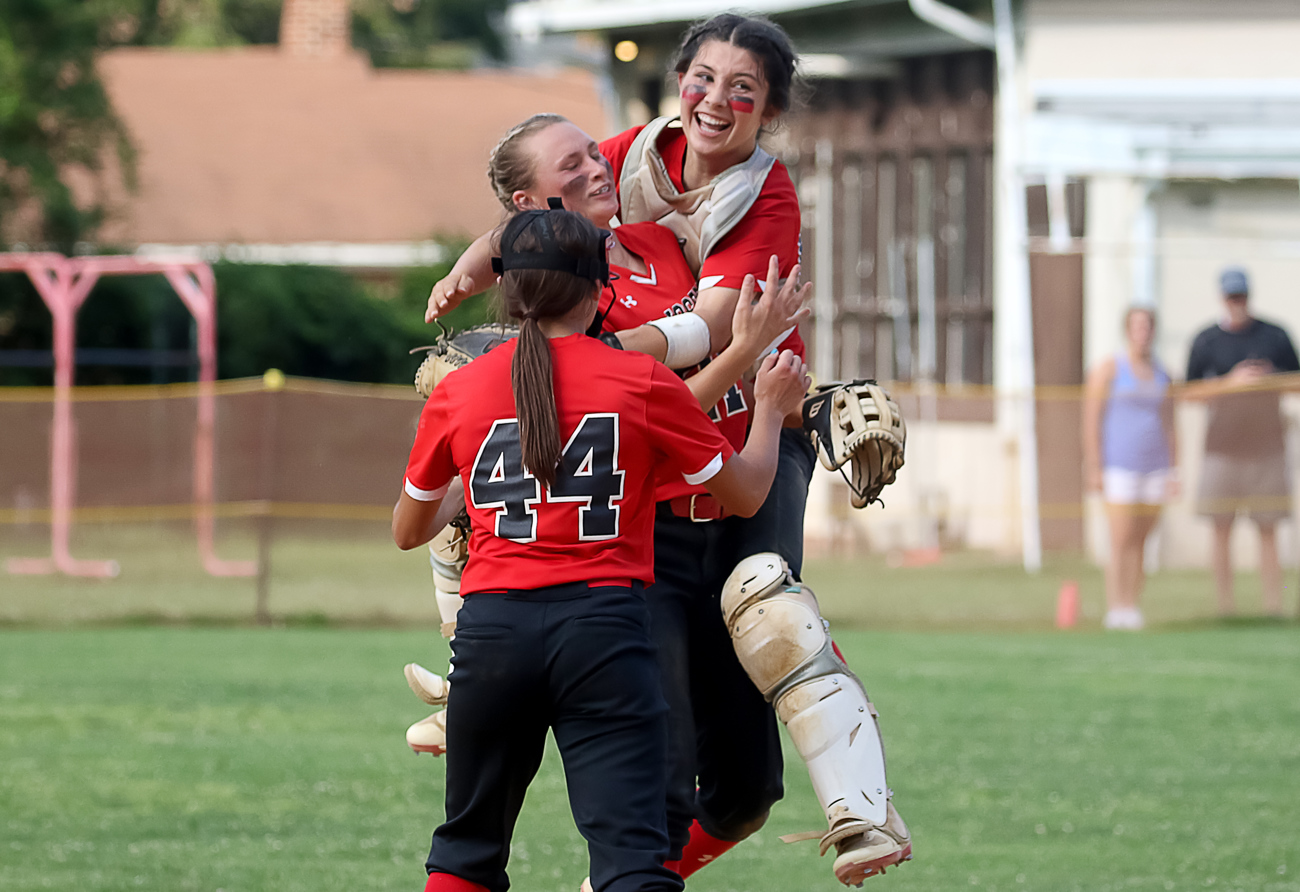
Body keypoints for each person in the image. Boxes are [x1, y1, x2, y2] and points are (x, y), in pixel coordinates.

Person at [418, 15, 912, 886]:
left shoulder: (672, 226)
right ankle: (469, 682)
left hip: (731, 478)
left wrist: (762, 382)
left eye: (744, 91)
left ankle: (854, 808)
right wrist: (507, 291)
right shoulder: (561, 295)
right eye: (705, 81)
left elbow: (714, 324)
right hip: (641, 535)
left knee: (747, 786)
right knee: (652, 789)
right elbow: (640, 387)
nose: (716, 102)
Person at [393, 207, 810, 892]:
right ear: (599, 294)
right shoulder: (640, 382)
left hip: (494, 632)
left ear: (509, 293)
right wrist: (767, 409)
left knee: (467, 852)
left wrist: (478, 487)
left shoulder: (461, 389)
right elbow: (743, 494)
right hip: (605, 634)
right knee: (632, 861)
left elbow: (409, 529)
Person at [1184, 267, 1299, 617]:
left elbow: (1296, 383)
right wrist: (1231, 382)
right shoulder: (1205, 340)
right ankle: (1225, 607)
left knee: (1268, 530)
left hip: (1267, 450)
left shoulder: (1275, 336)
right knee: (1221, 529)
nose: (1238, 303)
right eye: (1232, 297)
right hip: (1222, 450)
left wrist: (1267, 380)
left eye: (1242, 296)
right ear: (1223, 298)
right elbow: (1189, 393)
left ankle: (1272, 606)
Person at [1083, 307, 1177, 630]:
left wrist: (1174, 469)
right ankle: (1116, 606)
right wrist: (1094, 466)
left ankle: (1132, 605)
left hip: (1155, 467)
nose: (1143, 332)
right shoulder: (1110, 368)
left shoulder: (1162, 373)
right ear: (1127, 330)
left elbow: (1170, 423)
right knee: (1120, 538)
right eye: (1137, 326)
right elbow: (1091, 419)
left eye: (1148, 326)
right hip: (1119, 465)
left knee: (1141, 539)